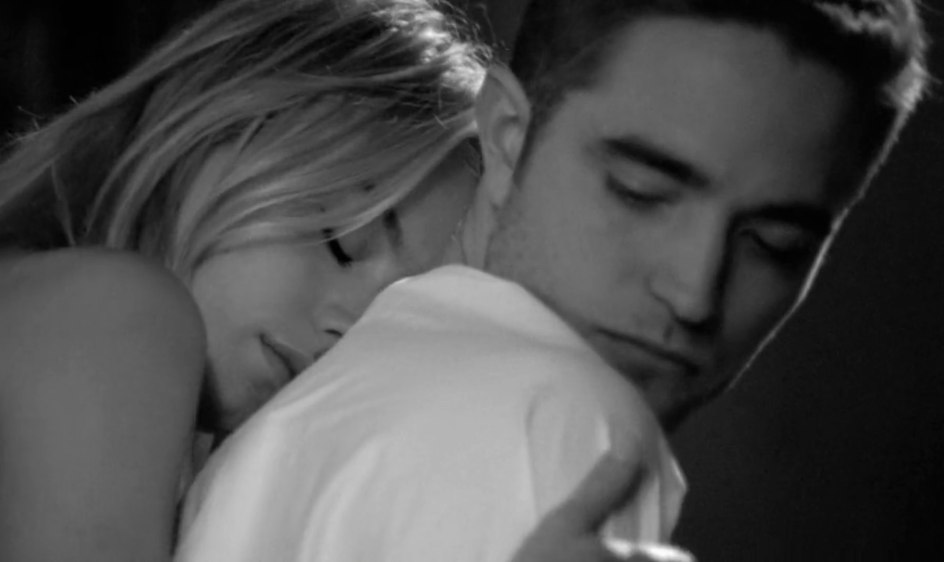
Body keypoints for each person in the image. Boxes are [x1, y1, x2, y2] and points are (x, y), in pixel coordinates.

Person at [175, 0, 929, 560]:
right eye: (639, 192)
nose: (694, 293)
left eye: (776, 245)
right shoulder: (564, 418)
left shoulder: (288, 429)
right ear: (508, 135)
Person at [0, 0, 492, 559]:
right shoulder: (117, 315)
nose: (346, 330)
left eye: (390, 322)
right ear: (229, 120)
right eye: (346, 243)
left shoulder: (3, 301)